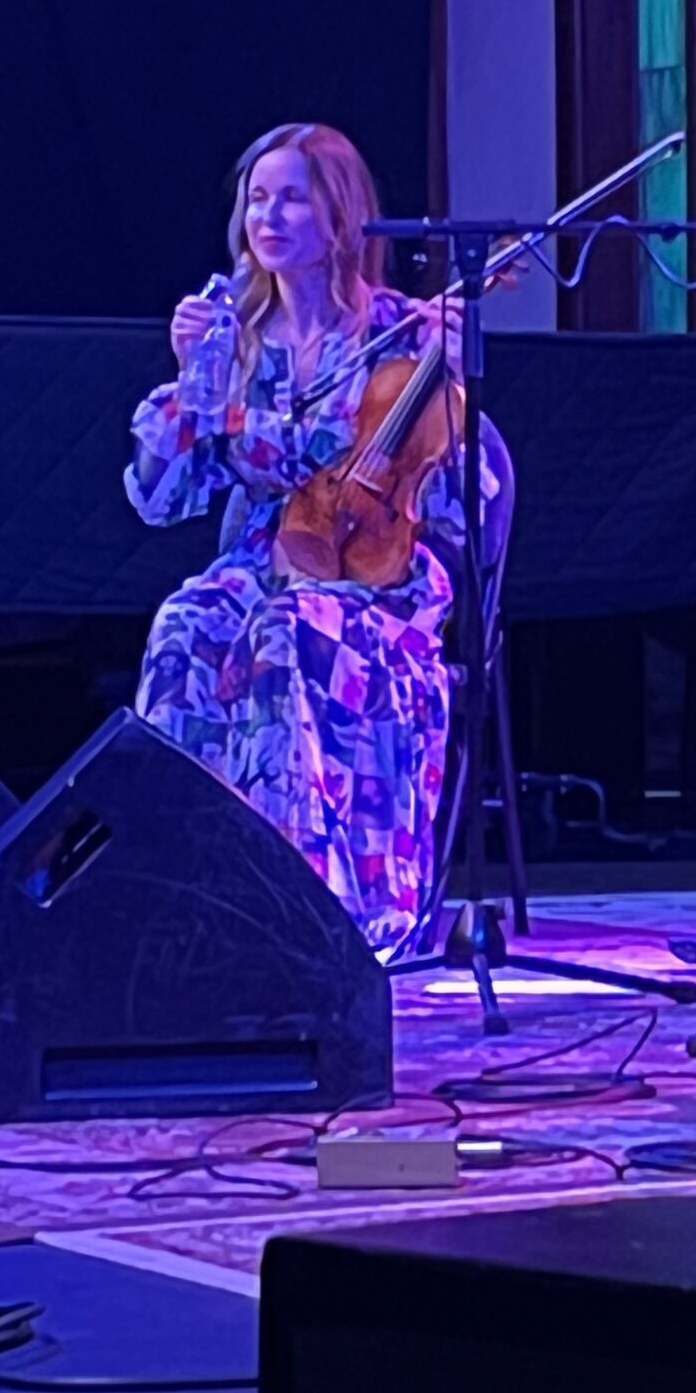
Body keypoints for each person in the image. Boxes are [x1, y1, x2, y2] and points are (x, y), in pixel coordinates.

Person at [126, 122, 471, 951]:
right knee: (183, 628)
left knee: (290, 634)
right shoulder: (229, 338)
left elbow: (463, 503)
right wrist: (189, 377)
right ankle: (184, 896)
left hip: (376, 576)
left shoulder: (401, 333)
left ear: (340, 216)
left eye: (292, 198)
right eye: (257, 198)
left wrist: (456, 379)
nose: (268, 217)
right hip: (263, 559)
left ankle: (311, 911)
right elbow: (160, 498)